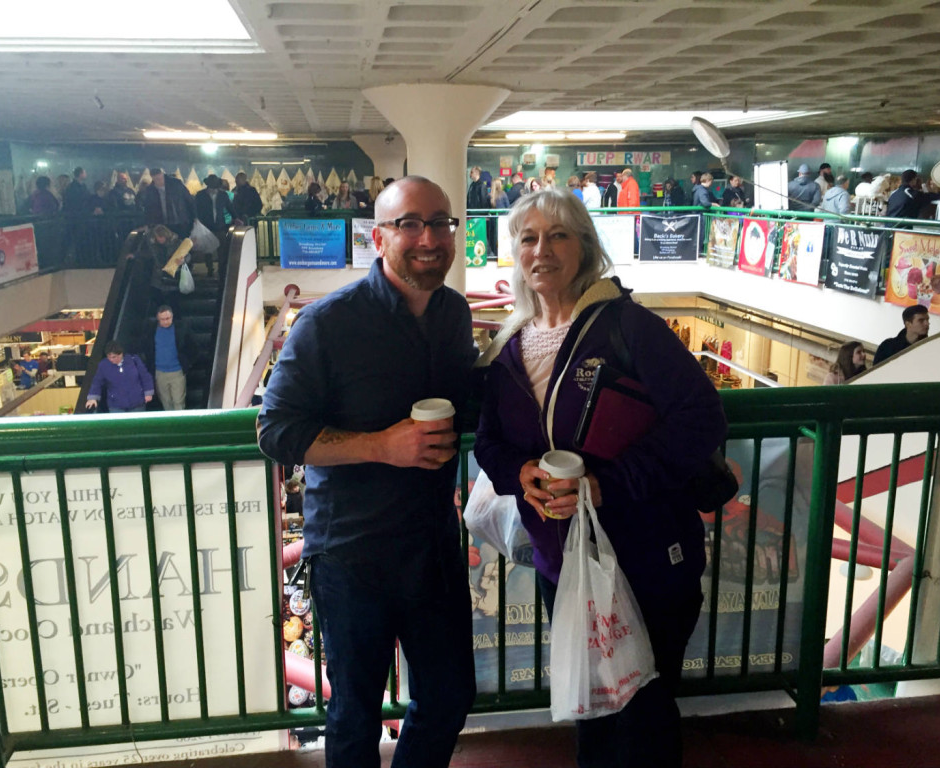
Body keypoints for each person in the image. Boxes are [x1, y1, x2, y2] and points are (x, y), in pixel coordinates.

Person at [473, 187, 727, 768]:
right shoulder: (510, 346)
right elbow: (489, 441)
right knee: (591, 702)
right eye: (528, 238)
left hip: (645, 558)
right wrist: (521, 474)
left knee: (644, 710)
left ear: (584, 247)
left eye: (559, 234)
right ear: (514, 252)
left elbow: (702, 418)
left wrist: (605, 484)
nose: (543, 250)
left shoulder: (628, 327)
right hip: (561, 563)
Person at [257, 175, 477, 767]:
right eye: (410, 224)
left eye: (440, 223)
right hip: (352, 550)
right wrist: (383, 446)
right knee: (353, 712)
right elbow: (277, 433)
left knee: (450, 694)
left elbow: (470, 399)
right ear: (378, 238)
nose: (428, 237)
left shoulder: (454, 314)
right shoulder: (327, 324)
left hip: (430, 541)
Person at [145, 305, 194, 411]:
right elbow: (148, 349)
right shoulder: (152, 330)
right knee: (166, 401)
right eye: (162, 319)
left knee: (178, 402)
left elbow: (193, 347)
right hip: (160, 372)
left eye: (168, 318)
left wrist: (187, 363)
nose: (166, 321)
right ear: (158, 319)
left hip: (177, 371)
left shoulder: (181, 328)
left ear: (172, 317)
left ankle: (179, 425)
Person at [85, 340, 154, 413]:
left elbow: (145, 377)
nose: (111, 360)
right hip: (116, 406)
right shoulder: (103, 365)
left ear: (121, 354)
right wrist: (92, 398)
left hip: (137, 403)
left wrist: (148, 393)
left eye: (114, 357)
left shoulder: (134, 360)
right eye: (109, 357)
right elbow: (97, 382)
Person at [195, 174, 238, 277]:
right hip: (207, 225)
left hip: (219, 225)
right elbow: (195, 209)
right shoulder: (201, 195)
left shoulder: (221, 195)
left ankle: (220, 269)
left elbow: (229, 207)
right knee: (208, 249)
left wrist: (236, 217)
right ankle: (211, 268)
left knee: (221, 248)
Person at [139, 168, 196, 240]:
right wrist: (148, 223)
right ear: (152, 178)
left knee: (181, 243)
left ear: (163, 175)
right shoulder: (150, 190)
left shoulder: (176, 184)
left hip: (180, 222)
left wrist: (195, 217)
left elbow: (189, 200)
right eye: (156, 179)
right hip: (163, 224)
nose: (159, 181)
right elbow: (148, 209)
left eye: (160, 178)